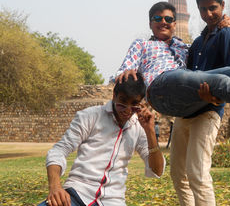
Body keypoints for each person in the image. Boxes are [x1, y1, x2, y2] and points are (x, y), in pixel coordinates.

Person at [37, 72, 165, 206]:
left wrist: (150, 131)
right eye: (122, 103)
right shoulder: (90, 116)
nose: (127, 110)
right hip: (77, 194)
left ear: (140, 104)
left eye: (134, 105)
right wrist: (55, 187)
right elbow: (59, 150)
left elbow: (157, 170)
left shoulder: (139, 126)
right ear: (114, 96)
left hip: (113, 200)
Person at [170, 0, 230, 206]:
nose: (208, 14)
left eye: (213, 8)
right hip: (186, 112)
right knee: (177, 174)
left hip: (208, 111)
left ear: (223, 5)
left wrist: (216, 98)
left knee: (198, 174)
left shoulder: (228, 35)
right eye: (203, 9)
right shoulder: (199, 42)